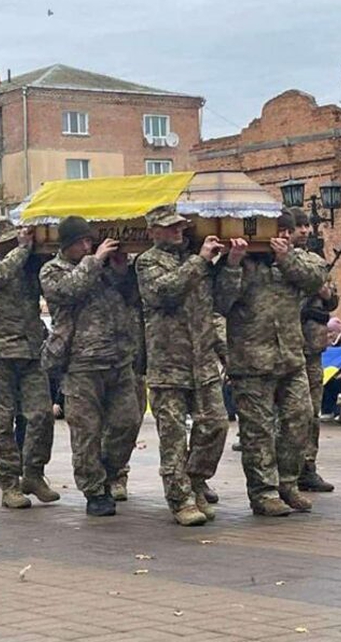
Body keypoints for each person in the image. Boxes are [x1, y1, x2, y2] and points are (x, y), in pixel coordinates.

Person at [217, 211, 327, 516]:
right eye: (275, 231)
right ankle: (263, 492)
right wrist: (233, 263)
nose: (281, 236)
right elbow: (221, 302)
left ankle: (288, 483)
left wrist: (285, 258)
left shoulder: (297, 260)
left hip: (291, 358)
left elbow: (316, 280)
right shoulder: (242, 263)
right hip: (251, 362)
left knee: (300, 419)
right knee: (258, 431)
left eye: (284, 231)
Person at [136, 204, 234, 526]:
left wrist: (231, 264)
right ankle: (180, 500)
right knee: (173, 438)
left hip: (202, 362)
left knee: (216, 425)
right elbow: (164, 293)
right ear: (153, 232)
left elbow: (220, 303)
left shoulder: (197, 261)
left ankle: (196, 481)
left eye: (180, 225)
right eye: (170, 226)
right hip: (169, 366)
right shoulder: (147, 262)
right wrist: (200, 261)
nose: (178, 230)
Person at [40, 215, 142, 518]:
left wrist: (121, 269)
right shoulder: (53, 270)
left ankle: (109, 473)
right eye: (81, 242)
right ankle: (94, 491)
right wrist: (95, 260)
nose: (87, 246)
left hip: (118, 359)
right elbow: (69, 291)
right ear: (67, 244)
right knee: (86, 432)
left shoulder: (103, 267)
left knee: (127, 423)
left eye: (89, 240)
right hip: (80, 363)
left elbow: (132, 296)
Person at [0, 217, 59, 508]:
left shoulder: (29, 263)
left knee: (42, 415)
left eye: (15, 240)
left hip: (30, 351)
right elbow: (1, 273)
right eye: (5, 242)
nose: (12, 245)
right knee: (0, 423)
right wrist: (22, 249)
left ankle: (33, 473)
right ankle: (9, 483)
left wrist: (43, 253)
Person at [289, 208, 337, 493]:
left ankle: (308, 466)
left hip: (313, 347)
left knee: (312, 412)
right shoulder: (279, 263)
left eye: (308, 225)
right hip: (288, 347)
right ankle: (287, 469)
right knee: (291, 412)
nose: (306, 231)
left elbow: (333, 300)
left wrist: (325, 294)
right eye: (300, 226)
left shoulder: (316, 262)